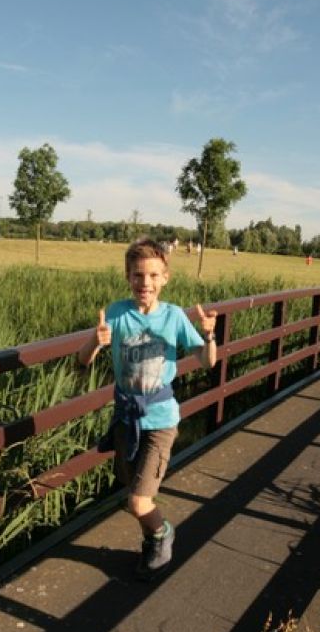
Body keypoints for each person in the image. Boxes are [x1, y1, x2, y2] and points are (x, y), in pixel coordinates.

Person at [80, 238, 218, 579]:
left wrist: (209, 337)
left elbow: (207, 361)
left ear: (165, 278)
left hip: (161, 419)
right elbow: (82, 361)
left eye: (154, 275)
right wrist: (95, 341)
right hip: (127, 417)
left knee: (138, 502)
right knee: (133, 493)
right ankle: (151, 537)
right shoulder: (116, 313)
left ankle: (161, 535)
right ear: (128, 277)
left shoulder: (174, 316)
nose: (146, 283)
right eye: (138, 275)